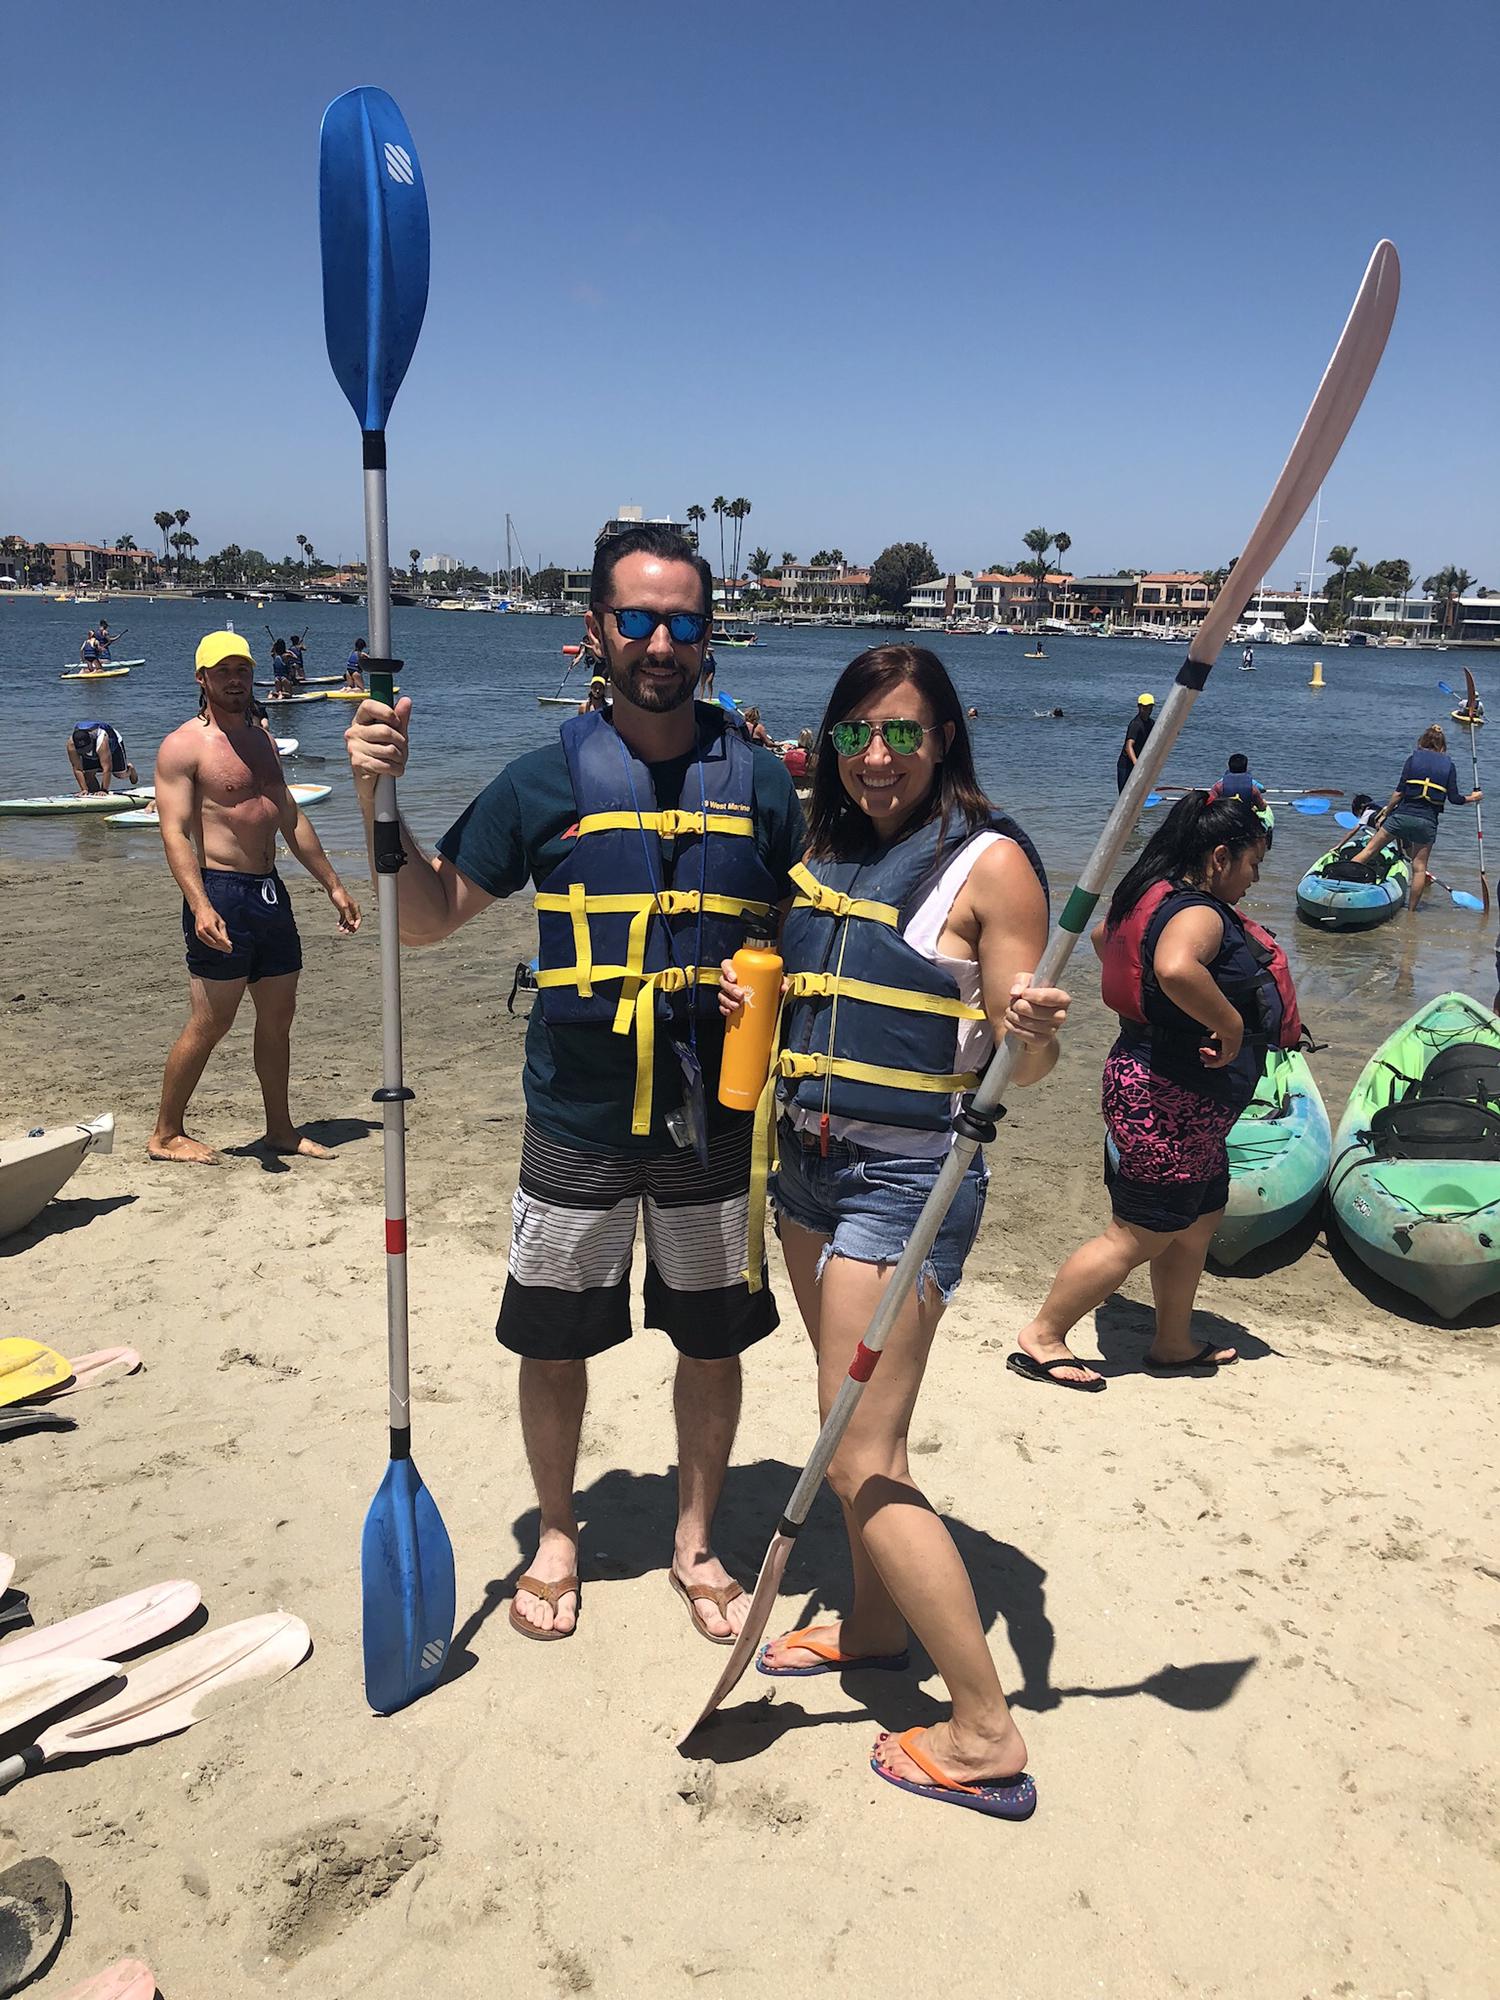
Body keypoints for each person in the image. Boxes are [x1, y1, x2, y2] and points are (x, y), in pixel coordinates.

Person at [343, 524, 805, 1645]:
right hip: (578, 1116)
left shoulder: (759, 783)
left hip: (713, 1124)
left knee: (712, 1339)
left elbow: (801, 940)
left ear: (708, 636)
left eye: (683, 622)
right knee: (552, 1340)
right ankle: (558, 1531)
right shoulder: (541, 781)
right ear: (594, 629)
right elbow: (427, 917)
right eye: (638, 618)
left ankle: (694, 1537)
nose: (660, 641)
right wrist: (375, 806)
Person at [727, 644, 1070, 1818]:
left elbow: (1026, 1046)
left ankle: (984, 1726)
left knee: (867, 1453)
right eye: (858, 733)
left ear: (946, 739)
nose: (879, 757)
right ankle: (874, 1631)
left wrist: (1028, 1021)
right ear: (831, 739)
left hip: (906, 1182)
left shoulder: (992, 865)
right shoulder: (828, 847)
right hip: (810, 1171)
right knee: (836, 1429)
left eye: (906, 735)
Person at [1009, 792, 1289, 1391]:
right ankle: (1045, 1334)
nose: (1255, 878)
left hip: (1174, 1092)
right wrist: (1231, 1023)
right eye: (1253, 863)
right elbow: (1174, 968)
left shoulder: (1149, 894)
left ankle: (1172, 1340)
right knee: (1140, 1232)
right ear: (1219, 856)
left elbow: (1106, 940)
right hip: (1167, 1097)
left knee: (1200, 1218)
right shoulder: (1201, 913)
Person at [146, 631, 360, 1166]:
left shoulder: (262, 739)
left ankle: (280, 1129)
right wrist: (199, 904)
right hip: (220, 890)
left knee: (278, 1017)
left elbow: (287, 816)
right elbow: (173, 832)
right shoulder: (183, 746)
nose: (236, 679)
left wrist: (332, 883)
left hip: (269, 892)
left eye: (242, 669)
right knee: (211, 1022)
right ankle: (166, 1133)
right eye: (224, 671)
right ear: (202, 679)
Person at [1348, 724, 1480, 913]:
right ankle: (1411, 913)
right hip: (1427, 823)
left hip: (1401, 816)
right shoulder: (1449, 766)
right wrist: (1473, 798)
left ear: (1423, 742)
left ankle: (1344, 880)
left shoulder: (1412, 760)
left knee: (1369, 850)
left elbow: (1398, 793)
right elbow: (1455, 799)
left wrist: (1386, 811)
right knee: (1419, 868)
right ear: (1442, 746)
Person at [67, 720, 137, 794]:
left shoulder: (101, 740)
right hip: (94, 745)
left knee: (119, 775)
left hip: (112, 743)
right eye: (82, 750)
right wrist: (84, 789)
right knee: (88, 776)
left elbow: (107, 768)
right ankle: (94, 793)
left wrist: (104, 790)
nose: (86, 752)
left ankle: (130, 770)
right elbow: (77, 768)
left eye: (87, 749)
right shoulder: (71, 744)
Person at [1117, 692, 1156, 792]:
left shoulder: (1151, 723)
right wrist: (1136, 762)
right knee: (1124, 795)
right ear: (1139, 707)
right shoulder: (1136, 724)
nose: (1148, 710)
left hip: (1140, 763)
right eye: (1145, 707)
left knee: (1137, 793)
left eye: (1150, 707)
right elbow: (1129, 745)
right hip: (1126, 765)